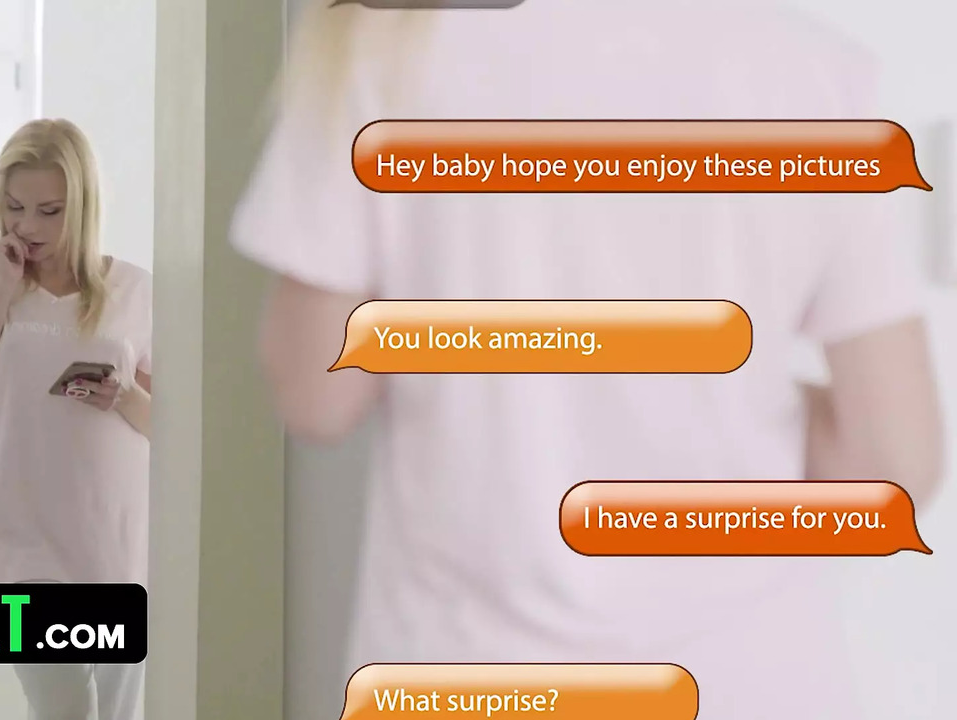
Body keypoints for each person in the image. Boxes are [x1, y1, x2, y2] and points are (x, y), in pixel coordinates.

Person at [229, 2, 943, 719]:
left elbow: (315, 396)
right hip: (747, 685)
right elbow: (890, 461)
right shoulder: (815, 76)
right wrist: (743, 398)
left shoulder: (386, 43)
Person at [0, 118, 151, 720]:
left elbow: (172, 428)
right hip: (21, 542)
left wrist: (124, 394)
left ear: (84, 207)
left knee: (118, 714)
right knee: (65, 710)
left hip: (116, 543)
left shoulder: (135, 290)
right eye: (15, 207)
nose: (28, 227)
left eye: (50, 211)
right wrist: (2, 291)